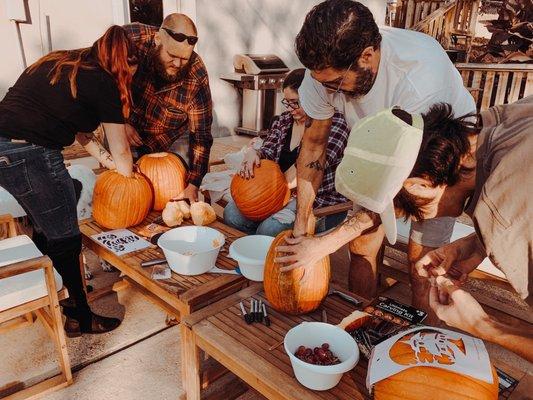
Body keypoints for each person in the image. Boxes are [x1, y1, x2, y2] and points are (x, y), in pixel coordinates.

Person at [281, 98, 533, 360]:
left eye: (409, 212)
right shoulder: (497, 123)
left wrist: (486, 326)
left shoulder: (508, 218)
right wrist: (473, 243)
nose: (415, 219)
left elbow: (514, 216)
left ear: (420, 185)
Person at [290, 0, 476, 309]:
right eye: (324, 84)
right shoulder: (321, 75)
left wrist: (324, 243)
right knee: (362, 246)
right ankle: (363, 323)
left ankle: (420, 344)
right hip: (378, 148)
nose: (330, 93)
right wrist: (301, 225)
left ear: (367, 56)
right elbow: (313, 145)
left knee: (423, 262)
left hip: (438, 161)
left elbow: (395, 186)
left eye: (337, 83)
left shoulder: (420, 81)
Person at [0, 25, 136, 336]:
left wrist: (105, 162)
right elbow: (122, 149)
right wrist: (127, 176)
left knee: (53, 211)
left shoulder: (62, 63)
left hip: (3, 146)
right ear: (124, 63)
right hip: (31, 153)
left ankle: (49, 282)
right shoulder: (104, 81)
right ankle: (79, 317)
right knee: (66, 238)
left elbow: (79, 130)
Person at [223, 69, 350, 236]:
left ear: (312, 98)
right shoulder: (284, 120)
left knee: (269, 229)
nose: (291, 109)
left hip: (319, 203)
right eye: (287, 102)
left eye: (296, 102)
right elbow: (268, 150)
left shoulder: (336, 124)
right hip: (277, 193)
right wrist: (255, 153)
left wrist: (268, 194)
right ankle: (262, 247)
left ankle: (266, 247)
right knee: (232, 214)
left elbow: (304, 172)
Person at [122, 13, 213, 203]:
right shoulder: (131, 39)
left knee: (176, 191)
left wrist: (193, 184)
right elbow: (101, 79)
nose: (178, 64)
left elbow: (201, 136)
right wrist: (119, 121)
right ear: (157, 40)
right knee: (125, 191)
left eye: (184, 58)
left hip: (170, 135)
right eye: (172, 55)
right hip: (126, 127)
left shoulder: (196, 74)